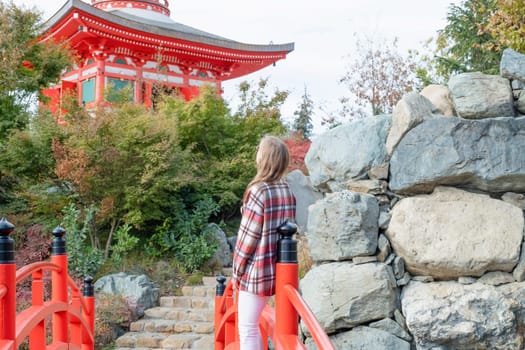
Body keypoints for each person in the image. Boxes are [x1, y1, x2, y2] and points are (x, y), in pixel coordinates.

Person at [232, 135, 297, 350]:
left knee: (248, 328)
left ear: (265, 158)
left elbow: (246, 241)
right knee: (258, 325)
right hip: (278, 273)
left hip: (257, 273)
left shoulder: (258, 191)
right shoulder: (287, 191)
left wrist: (236, 273)